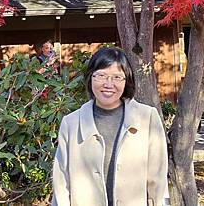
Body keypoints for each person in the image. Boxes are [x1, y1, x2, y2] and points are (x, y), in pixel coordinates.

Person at [52, 47, 169, 206]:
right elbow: (61, 183)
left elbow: (158, 180)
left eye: (117, 77)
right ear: (90, 77)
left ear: (126, 80)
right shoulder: (71, 123)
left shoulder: (147, 118)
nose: (108, 84)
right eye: (101, 75)